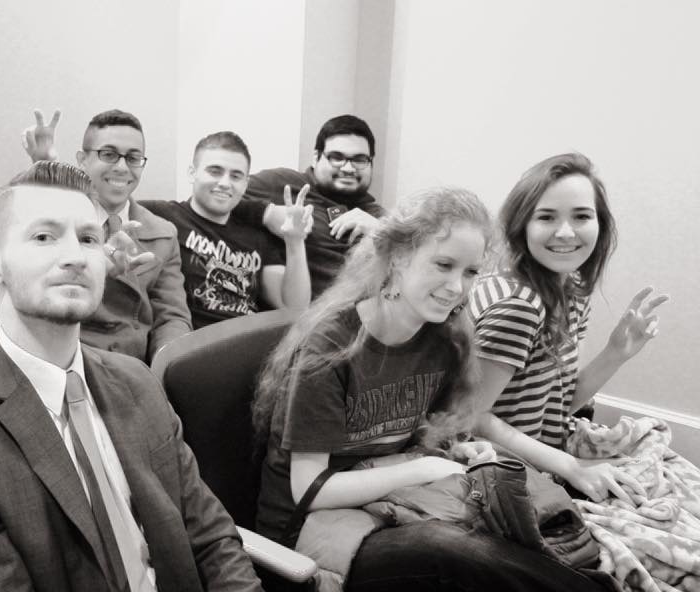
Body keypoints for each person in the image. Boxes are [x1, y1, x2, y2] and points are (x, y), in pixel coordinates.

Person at [0, 161, 262, 591]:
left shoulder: (138, 381)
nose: (74, 257)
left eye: (88, 239)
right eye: (44, 237)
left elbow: (210, 534)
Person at [252, 187, 605, 591]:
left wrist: (456, 451)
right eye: (443, 264)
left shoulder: (444, 340)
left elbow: (422, 434)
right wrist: (421, 469)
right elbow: (310, 490)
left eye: (470, 272)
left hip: (387, 505)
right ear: (398, 257)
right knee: (457, 552)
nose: (456, 286)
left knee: (511, 520)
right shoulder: (330, 348)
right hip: (305, 533)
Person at [469, 153, 667, 502]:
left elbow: (554, 404)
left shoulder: (570, 291)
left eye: (581, 216)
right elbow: (471, 418)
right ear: (522, 225)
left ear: (600, 224)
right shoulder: (518, 306)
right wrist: (572, 467)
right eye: (546, 217)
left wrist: (615, 354)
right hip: (490, 463)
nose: (565, 232)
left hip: (537, 451)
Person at [23, 109, 191, 362]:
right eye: (109, 155)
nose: (122, 168)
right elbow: (17, 302)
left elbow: (172, 316)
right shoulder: (53, 222)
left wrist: (167, 362)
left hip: (136, 367)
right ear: (82, 160)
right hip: (67, 360)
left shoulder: (162, 233)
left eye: (133, 158)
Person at [140, 131, 312, 328]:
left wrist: (295, 241)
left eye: (236, 176)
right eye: (215, 171)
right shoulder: (162, 215)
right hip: (191, 339)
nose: (224, 183)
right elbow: (115, 207)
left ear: (245, 184)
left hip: (250, 338)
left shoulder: (257, 234)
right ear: (192, 173)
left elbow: (295, 308)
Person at [240, 114, 385, 298]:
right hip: (305, 309)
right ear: (316, 158)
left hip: (367, 310)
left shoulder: (379, 217)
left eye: (360, 160)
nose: (348, 169)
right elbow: (218, 195)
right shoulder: (283, 184)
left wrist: (382, 233)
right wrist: (267, 213)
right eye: (336, 157)